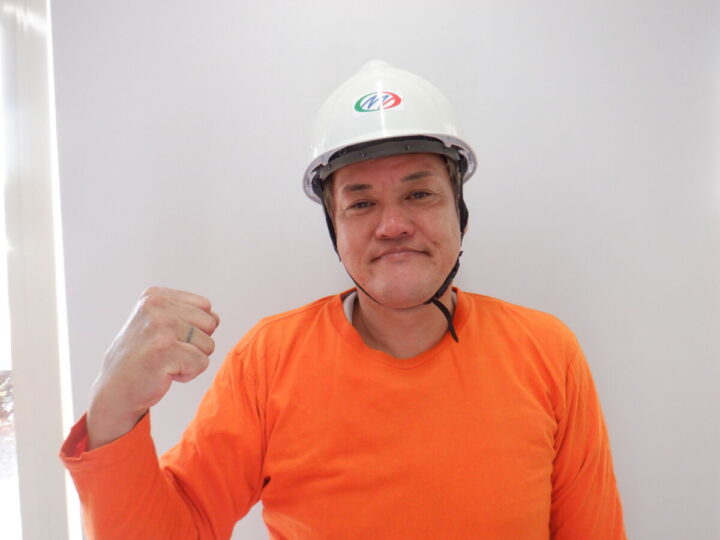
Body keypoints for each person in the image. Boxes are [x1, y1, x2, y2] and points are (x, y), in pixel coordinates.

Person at [61, 60, 626, 539]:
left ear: (460, 211)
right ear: (334, 227)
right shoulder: (270, 361)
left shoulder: (546, 350)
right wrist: (113, 411)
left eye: (419, 193)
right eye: (361, 203)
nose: (393, 225)